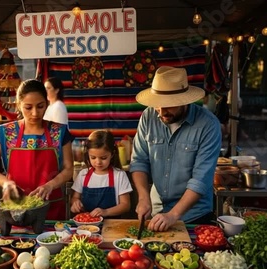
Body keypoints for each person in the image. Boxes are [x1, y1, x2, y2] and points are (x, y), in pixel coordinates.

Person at [129, 66, 221, 231]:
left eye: (168, 105)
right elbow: (139, 161)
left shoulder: (208, 125)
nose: (161, 112)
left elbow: (200, 180)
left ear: (185, 101)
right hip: (157, 212)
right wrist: (143, 198)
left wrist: (173, 215)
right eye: (157, 105)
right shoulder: (148, 116)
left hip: (194, 216)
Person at [0, 79, 74, 220]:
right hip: (15, 208)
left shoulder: (59, 132)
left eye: (40, 106)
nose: (35, 113)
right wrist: (5, 183)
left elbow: (69, 169)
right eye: (28, 107)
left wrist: (50, 185)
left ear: (47, 104)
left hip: (51, 208)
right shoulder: (6, 133)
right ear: (19, 105)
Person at [70, 130, 132, 218]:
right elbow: (75, 198)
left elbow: (125, 205)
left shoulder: (119, 175)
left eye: (103, 158)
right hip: (86, 225)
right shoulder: (83, 174)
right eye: (93, 157)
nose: (98, 162)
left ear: (112, 154)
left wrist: (106, 212)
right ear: (88, 155)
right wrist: (75, 203)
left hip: (111, 225)